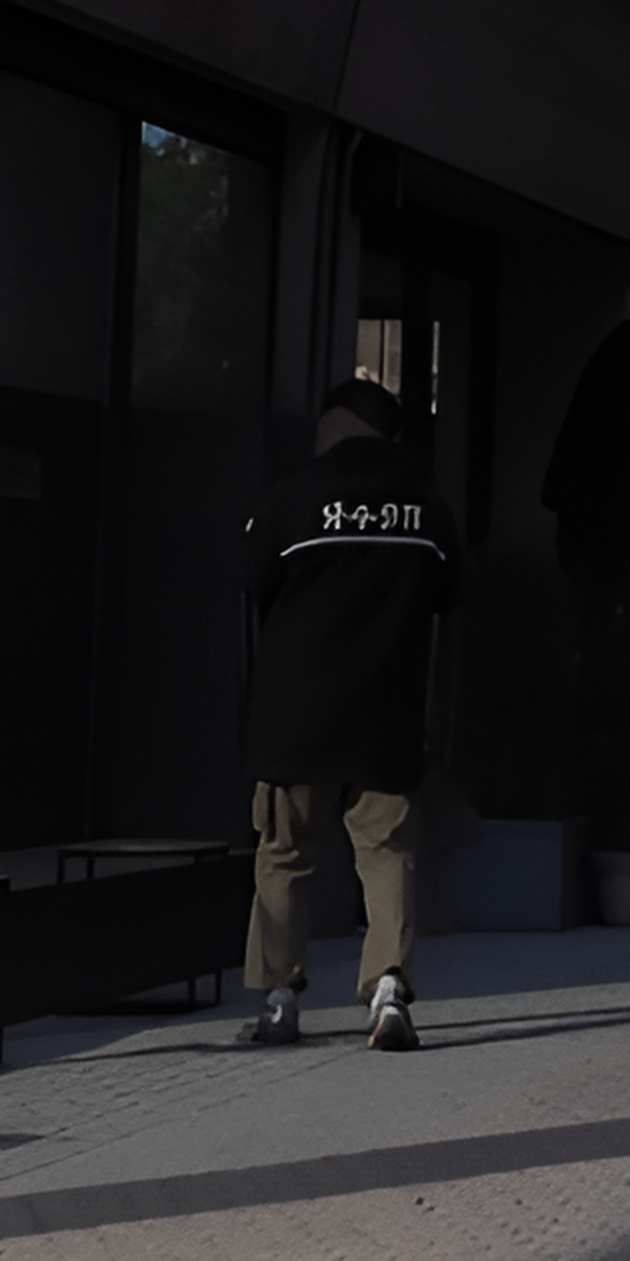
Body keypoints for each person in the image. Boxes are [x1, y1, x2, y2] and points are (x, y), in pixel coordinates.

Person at [233, 372, 462, 1050]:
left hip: (293, 714)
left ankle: (279, 999)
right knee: (386, 851)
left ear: (334, 426)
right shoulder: (429, 510)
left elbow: (252, 588)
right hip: (385, 713)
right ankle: (388, 990)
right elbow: (450, 602)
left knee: (282, 851)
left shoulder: (289, 502)